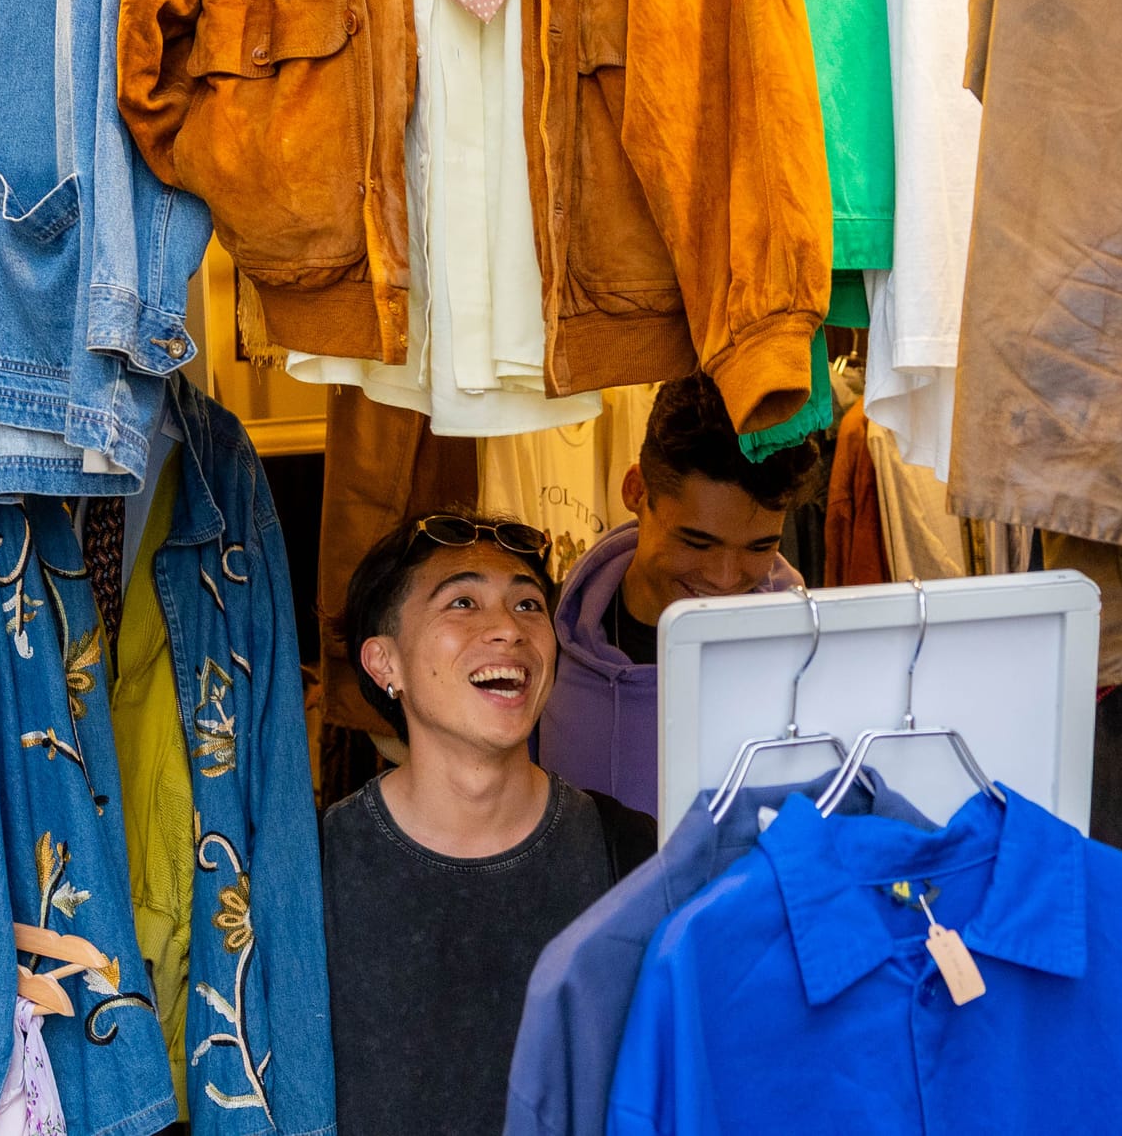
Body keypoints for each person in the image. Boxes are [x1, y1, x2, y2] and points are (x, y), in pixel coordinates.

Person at [322, 509, 655, 1136]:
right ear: (383, 663)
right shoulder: (313, 869)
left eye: (529, 605)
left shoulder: (632, 854)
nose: (507, 628)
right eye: (462, 602)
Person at [541, 372, 822, 815]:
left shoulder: (808, 652)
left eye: (761, 546)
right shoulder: (546, 637)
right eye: (696, 542)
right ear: (636, 491)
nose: (726, 578)